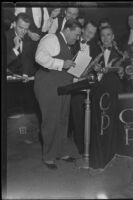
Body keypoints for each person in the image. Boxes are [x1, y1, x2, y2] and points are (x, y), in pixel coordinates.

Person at [34, 19, 82, 170]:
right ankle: (48, 157)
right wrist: (62, 64)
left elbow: (67, 68)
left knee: (63, 119)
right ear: (67, 30)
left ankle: (61, 152)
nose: (78, 38)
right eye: (76, 34)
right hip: (48, 85)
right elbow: (39, 58)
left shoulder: (68, 45)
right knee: (51, 120)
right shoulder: (51, 38)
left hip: (64, 86)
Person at [89, 26, 124, 170]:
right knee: (98, 125)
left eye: (108, 35)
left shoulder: (120, 53)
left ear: (113, 36)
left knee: (109, 125)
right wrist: (94, 69)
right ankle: (98, 159)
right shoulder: (96, 52)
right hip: (98, 92)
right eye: (103, 35)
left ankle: (109, 156)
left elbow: (123, 75)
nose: (105, 38)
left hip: (112, 92)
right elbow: (89, 72)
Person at [69, 20, 98, 155]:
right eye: (88, 31)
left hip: (89, 87)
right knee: (78, 118)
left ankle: (90, 146)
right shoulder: (72, 42)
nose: (89, 35)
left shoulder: (96, 46)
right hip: (75, 86)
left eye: (92, 34)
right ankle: (81, 148)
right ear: (83, 29)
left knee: (90, 118)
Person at [6, 13, 38, 115]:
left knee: (29, 110)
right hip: (9, 84)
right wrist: (15, 48)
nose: (23, 31)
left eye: (26, 29)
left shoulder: (28, 38)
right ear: (14, 24)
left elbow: (28, 59)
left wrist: (25, 74)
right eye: (20, 28)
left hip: (24, 81)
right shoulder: (5, 36)